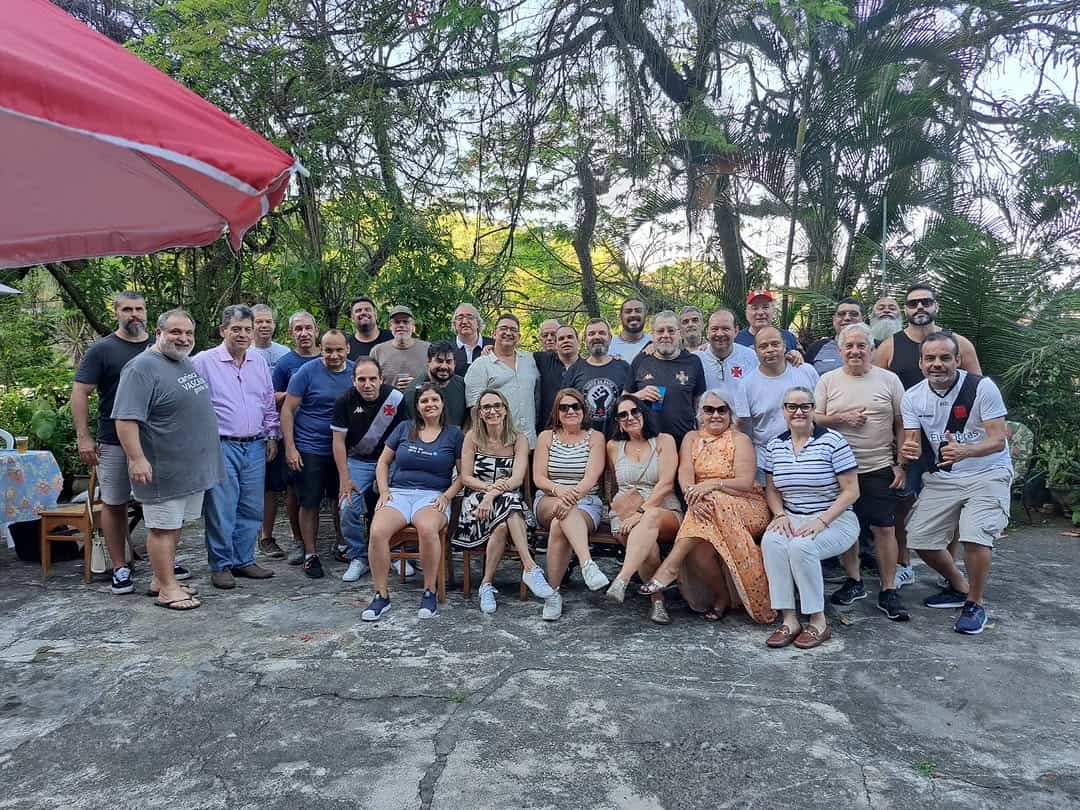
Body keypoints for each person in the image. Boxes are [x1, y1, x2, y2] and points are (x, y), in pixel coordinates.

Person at [112, 309, 226, 611]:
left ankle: (160, 579)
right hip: (161, 467)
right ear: (159, 332)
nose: (184, 338)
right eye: (176, 332)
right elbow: (125, 419)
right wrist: (137, 459)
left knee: (173, 527)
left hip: (188, 469)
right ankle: (166, 589)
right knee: (161, 528)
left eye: (188, 333)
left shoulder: (182, 361)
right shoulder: (141, 368)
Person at [900, 332, 1010, 635]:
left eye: (945, 357)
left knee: (975, 535)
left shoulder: (982, 388)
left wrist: (966, 451)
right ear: (921, 363)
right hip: (946, 476)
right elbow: (912, 443)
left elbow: (998, 440)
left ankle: (974, 603)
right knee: (919, 538)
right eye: (931, 358)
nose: (938, 364)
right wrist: (909, 450)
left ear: (957, 360)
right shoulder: (912, 397)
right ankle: (960, 586)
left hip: (989, 472)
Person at [875, 283, 983, 586]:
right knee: (902, 504)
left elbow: (978, 391)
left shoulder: (958, 343)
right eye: (912, 304)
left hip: (953, 442)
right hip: (908, 441)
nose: (919, 308)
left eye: (926, 302)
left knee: (954, 505)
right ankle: (904, 563)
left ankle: (949, 571)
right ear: (905, 310)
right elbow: (875, 388)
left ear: (936, 305)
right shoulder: (890, 346)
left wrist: (974, 438)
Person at [639, 389, 774, 623]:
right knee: (700, 553)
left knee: (714, 499)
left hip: (746, 507)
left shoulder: (740, 440)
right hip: (704, 509)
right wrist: (694, 495)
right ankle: (722, 598)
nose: (715, 415)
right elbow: (685, 474)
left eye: (722, 410)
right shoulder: (692, 438)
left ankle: (669, 566)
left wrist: (711, 486)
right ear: (700, 413)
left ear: (730, 413)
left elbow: (743, 483)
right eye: (709, 409)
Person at [813, 323, 909, 620]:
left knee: (884, 528)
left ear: (872, 349)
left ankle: (889, 588)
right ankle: (854, 581)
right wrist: (840, 418)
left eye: (861, 346)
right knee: (846, 527)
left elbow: (902, 423)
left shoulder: (889, 380)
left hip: (878, 465)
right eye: (849, 346)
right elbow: (814, 418)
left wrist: (901, 464)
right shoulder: (828, 380)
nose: (855, 351)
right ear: (840, 351)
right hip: (837, 470)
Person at [760, 386, 861, 649]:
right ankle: (789, 619)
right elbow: (771, 489)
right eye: (792, 407)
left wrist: (822, 521)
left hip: (835, 518)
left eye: (805, 406)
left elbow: (852, 491)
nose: (798, 412)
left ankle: (818, 621)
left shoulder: (833, 441)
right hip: (792, 515)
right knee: (771, 541)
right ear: (783, 411)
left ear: (813, 409)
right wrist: (779, 514)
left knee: (801, 546)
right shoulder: (775, 445)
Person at [72, 290, 157, 595]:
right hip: (113, 440)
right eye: (127, 309)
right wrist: (84, 437)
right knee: (114, 502)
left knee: (162, 501)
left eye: (139, 309)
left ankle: (165, 563)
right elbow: (81, 392)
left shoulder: (157, 346)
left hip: (156, 439)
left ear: (146, 312)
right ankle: (119, 566)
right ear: (117, 313)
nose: (134, 314)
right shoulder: (103, 350)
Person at [191, 305, 278, 589]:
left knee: (252, 506)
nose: (243, 334)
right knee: (221, 507)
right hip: (221, 445)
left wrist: (272, 434)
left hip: (255, 444)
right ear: (223, 330)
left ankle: (244, 560)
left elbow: (267, 400)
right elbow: (189, 403)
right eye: (236, 329)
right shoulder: (203, 361)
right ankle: (221, 564)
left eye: (247, 329)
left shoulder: (258, 361)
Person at [362, 384, 465, 621]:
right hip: (399, 493)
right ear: (417, 406)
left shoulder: (454, 434)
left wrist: (447, 495)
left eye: (434, 400)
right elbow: (383, 462)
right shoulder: (403, 428)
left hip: (432, 495)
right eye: (424, 401)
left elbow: (463, 475)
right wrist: (385, 491)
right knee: (377, 531)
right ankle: (381, 595)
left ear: (442, 403)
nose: (430, 404)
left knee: (428, 529)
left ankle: (429, 591)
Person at [455, 389, 555, 613]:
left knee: (502, 524)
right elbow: (466, 477)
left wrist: (492, 495)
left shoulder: (518, 439)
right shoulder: (472, 437)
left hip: (504, 500)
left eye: (497, 406)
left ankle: (486, 585)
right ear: (479, 413)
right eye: (486, 407)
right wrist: (487, 491)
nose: (492, 411)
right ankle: (530, 568)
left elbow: (517, 479)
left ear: (505, 409)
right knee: (509, 503)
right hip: (476, 505)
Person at [281, 329, 355, 579]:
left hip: (343, 447)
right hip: (310, 446)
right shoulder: (307, 372)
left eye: (338, 350)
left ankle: (343, 544)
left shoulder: (356, 373)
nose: (333, 355)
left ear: (347, 349)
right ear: (320, 349)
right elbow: (288, 410)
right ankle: (310, 553)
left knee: (340, 499)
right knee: (309, 501)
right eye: (328, 350)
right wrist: (290, 447)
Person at [604, 395, 682, 624]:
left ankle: (623, 578)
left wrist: (642, 511)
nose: (630, 417)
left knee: (651, 517)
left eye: (635, 411)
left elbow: (667, 483)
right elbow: (612, 483)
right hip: (626, 511)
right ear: (618, 421)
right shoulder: (613, 446)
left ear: (644, 413)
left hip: (662, 509)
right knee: (647, 548)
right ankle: (657, 603)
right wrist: (616, 507)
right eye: (623, 414)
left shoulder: (664, 441)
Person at [533, 388, 610, 620]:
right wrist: (560, 492)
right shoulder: (546, 437)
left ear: (583, 410)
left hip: (586, 501)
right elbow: (539, 477)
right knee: (560, 515)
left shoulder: (595, 437)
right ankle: (587, 564)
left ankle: (553, 594)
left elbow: (591, 477)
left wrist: (572, 497)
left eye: (575, 406)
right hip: (549, 498)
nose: (570, 411)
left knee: (560, 523)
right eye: (564, 407)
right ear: (557, 412)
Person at [332, 357, 407, 582]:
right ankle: (359, 556)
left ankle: (395, 554)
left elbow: (404, 437)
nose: (368, 384)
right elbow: (338, 442)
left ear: (381, 379)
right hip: (358, 460)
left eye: (373, 379)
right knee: (347, 506)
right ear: (354, 381)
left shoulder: (396, 399)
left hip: (391, 460)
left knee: (397, 504)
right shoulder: (344, 401)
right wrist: (344, 479)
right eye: (362, 379)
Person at [266, 311, 320, 562]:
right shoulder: (286, 364)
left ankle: (339, 543)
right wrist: (295, 393)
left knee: (330, 491)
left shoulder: (329, 356)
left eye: (308, 328)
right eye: (298, 329)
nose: (304, 333)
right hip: (296, 436)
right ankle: (299, 542)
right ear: (291, 334)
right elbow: (271, 398)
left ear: (316, 330)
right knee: (294, 492)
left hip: (328, 436)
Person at [734, 326, 820, 477]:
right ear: (755, 351)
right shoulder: (746, 385)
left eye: (775, 344)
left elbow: (819, 412)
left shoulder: (806, 371)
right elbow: (744, 429)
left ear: (784, 346)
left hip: (809, 457)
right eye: (763, 346)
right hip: (766, 462)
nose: (770, 350)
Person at [625, 311, 706, 446]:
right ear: (653, 335)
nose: (665, 335)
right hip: (646, 443)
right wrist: (639, 395)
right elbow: (623, 401)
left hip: (684, 443)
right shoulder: (640, 360)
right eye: (660, 331)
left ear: (679, 334)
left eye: (671, 330)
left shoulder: (693, 362)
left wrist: (702, 436)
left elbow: (699, 404)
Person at [464, 313, 542, 447]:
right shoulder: (481, 365)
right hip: (497, 444)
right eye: (503, 328)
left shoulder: (530, 361)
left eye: (513, 330)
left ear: (519, 336)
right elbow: (474, 408)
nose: (508, 332)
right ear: (494, 333)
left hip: (529, 442)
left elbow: (536, 397)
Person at [563, 318, 631, 436]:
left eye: (601, 333)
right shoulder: (574, 370)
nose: (596, 337)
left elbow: (634, 403)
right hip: (584, 440)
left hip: (620, 439)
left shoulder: (624, 367)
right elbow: (563, 408)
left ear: (610, 338)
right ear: (584, 340)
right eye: (591, 334)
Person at [403, 341, 468, 428]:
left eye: (448, 362)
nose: (444, 366)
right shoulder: (413, 392)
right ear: (428, 362)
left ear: (455, 364)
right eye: (439, 361)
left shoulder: (463, 385)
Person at [695, 309, 758, 396]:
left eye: (726, 329)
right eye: (714, 329)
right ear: (707, 332)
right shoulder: (695, 360)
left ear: (736, 331)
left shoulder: (751, 357)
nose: (720, 334)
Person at [370, 305, 431, 391]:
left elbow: (436, 380)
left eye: (405, 322)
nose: (401, 325)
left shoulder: (428, 349)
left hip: (421, 402)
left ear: (413, 326)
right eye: (397, 322)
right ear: (390, 326)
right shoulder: (377, 351)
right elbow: (370, 381)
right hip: (389, 403)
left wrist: (417, 384)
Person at [535, 324, 580, 431]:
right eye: (561, 338)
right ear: (556, 343)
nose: (566, 341)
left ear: (578, 340)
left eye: (570, 337)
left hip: (578, 431)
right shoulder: (541, 360)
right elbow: (513, 355)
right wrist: (490, 348)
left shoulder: (587, 366)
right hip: (546, 431)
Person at [805, 298, 865, 376]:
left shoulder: (876, 347)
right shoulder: (816, 348)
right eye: (841, 314)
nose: (847, 318)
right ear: (834, 320)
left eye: (854, 314)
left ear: (863, 319)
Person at [735, 290, 802, 358]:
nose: (760, 312)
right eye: (755, 308)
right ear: (746, 313)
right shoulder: (736, 339)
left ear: (773, 311)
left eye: (765, 307)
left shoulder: (788, 337)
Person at [346, 296, 392, 360]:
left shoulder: (392, 338)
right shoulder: (346, 345)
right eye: (358, 311)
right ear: (352, 318)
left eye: (367, 309)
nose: (363, 312)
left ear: (376, 315)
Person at [451, 303, 491, 376]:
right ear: (454, 324)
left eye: (470, 317)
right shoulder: (447, 349)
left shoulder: (494, 346)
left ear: (478, 323)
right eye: (460, 318)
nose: (465, 322)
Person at [609, 298, 651, 363]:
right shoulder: (609, 344)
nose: (633, 315)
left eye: (638, 311)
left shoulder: (655, 341)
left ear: (645, 314)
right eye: (628, 311)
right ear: (620, 316)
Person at [250, 304, 291, 369]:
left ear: (274, 325)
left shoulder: (285, 353)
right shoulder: (243, 353)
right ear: (251, 325)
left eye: (268, 321)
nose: (264, 325)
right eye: (259, 322)